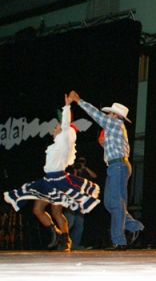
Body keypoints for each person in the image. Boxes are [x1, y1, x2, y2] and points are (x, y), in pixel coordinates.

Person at [3, 94, 101, 251]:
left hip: (58, 180)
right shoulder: (57, 145)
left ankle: (64, 239)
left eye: (57, 127)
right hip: (49, 180)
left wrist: (67, 106)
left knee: (53, 211)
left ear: (62, 131)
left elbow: (66, 124)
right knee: (40, 210)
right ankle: (57, 234)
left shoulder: (63, 141)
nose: (54, 129)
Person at [69, 90, 144, 250]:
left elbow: (96, 114)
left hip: (118, 166)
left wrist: (79, 101)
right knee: (112, 203)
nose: (108, 115)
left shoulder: (115, 123)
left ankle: (119, 240)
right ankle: (135, 227)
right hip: (118, 166)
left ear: (116, 115)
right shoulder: (118, 127)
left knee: (115, 203)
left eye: (110, 113)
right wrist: (105, 145)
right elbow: (120, 148)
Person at [64, 157, 99, 250]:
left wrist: (85, 168)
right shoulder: (70, 170)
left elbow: (95, 176)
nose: (81, 163)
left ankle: (74, 245)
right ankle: (63, 244)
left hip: (81, 202)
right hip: (71, 201)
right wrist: (75, 170)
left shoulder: (85, 172)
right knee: (69, 223)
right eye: (79, 161)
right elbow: (72, 183)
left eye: (83, 161)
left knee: (80, 225)